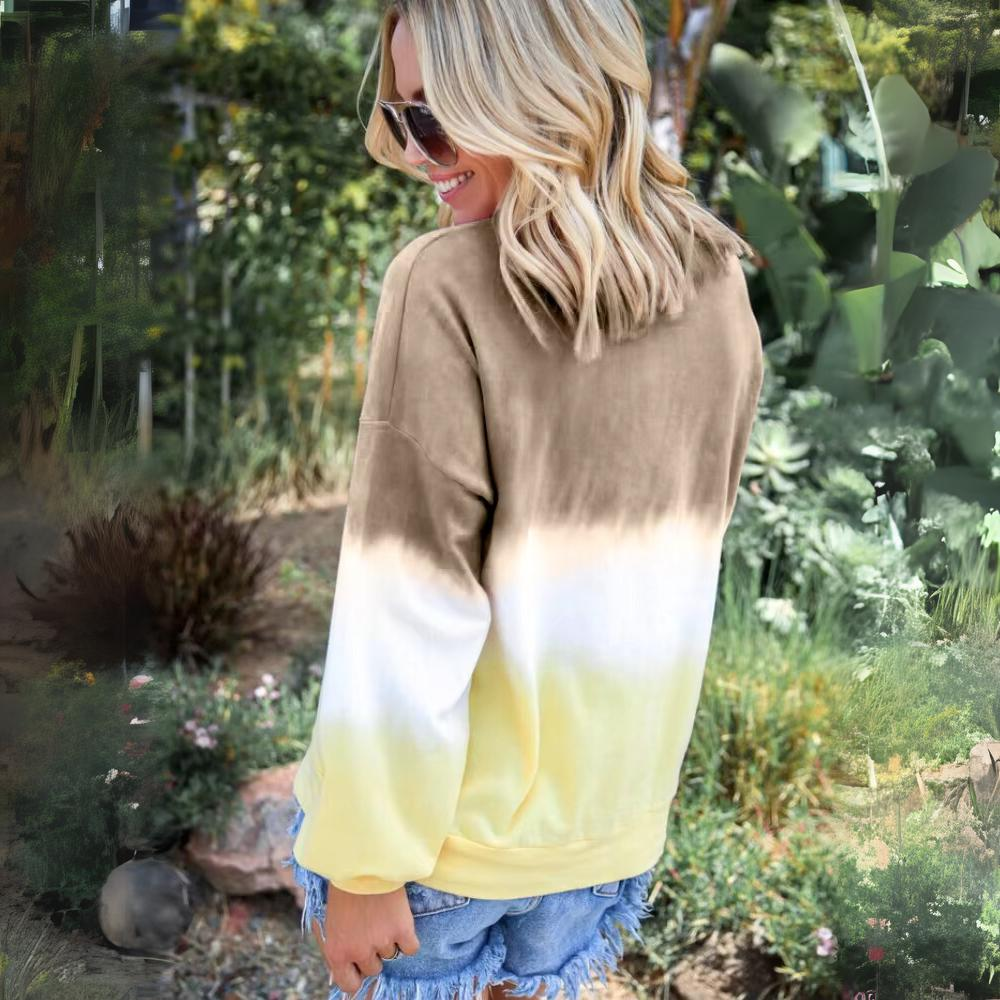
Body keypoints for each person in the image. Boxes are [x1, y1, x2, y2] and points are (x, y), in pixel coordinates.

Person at [282, 1, 765, 998]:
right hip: (605, 838)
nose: (416, 152)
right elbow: (687, 565)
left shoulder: (444, 284)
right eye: (403, 116)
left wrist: (364, 865)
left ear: (534, 94)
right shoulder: (717, 280)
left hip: (444, 853)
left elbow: (407, 595)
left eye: (437, 114)